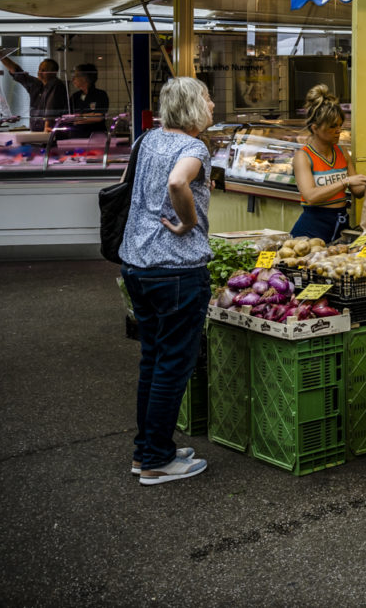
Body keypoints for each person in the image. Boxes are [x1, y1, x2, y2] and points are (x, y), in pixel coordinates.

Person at [119, 76, 216, 484]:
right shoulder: (193, 147)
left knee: (153, 360)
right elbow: (178, 181)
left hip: (137, 265)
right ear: (194, 107)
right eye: (208, 98)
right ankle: (158, 460)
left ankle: (147, 451)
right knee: (174, 366)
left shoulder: (149, 139)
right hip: (175, 270)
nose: (213, 104)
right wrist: (188, 222)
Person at [291, 85, 366, 242]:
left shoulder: (341, 151)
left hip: (340, 226)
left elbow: (357, 191)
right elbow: (311, 196)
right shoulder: (303, 157)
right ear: (315, 128)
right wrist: (345, 182)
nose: (338, 131)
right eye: (332, 126)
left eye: (339, 125)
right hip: (311, 231)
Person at [0, 45, 68, 130]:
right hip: (35, 131)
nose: (39, 72)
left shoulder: (56, 85)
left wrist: (47, 125)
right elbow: (16, 71)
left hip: (49, 131)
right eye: (39, 69)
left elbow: (51, 108)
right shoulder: (37, 84)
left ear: (53, 72)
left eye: (44, 70)